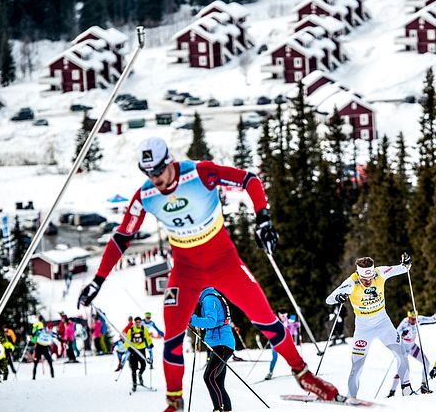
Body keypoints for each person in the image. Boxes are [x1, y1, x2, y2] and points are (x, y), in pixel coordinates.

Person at [78, 137, 339, 411]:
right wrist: (98, 280)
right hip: (186, 272)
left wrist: (263, 218)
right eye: (149, 173)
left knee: (266, 320)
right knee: (172, 338)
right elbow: (122, 236)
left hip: (224, 263)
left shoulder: (199, 173)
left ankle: (304, 375)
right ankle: (174, 402)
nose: (155, 179)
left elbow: (249, 180)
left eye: (158, 171)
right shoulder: (146, 195)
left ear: (169, 161)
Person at [326, 254, 416, 398]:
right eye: (365, 279)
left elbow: (404, 268)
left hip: (383, 324)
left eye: (370, 277)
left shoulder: (380, 273)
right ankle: (351, 397)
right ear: (358, 274)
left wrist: (406, 263)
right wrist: (338, 297)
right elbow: (329, 299)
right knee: (357, 366)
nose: (368, 281)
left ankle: (407, 389)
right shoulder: (351, 282)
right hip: (363, 329)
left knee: (401, 353)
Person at [190, 287, 235, 412]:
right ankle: (226, 409)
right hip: (221, 343)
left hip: (222, 344)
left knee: (208, 378)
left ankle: (217, 409)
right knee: (218, 382)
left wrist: (192, 320)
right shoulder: (213, 296)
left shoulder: (209, 299)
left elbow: (211, 322)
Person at [387, 309, 436, 397]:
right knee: (403, 370)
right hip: (403, 349)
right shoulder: (404, 323)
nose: (414, 320)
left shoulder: (418, 319)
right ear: (408, 317)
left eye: (415, 318)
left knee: (426, 363)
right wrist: (402, 334)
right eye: (412, 319)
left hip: (412, 347)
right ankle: (392, 392)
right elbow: (396, 334)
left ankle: (424, 386)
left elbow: (431, 319)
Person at [126, 316, 152, 392]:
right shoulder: (131, 330)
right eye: (136, 322)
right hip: (134, 350)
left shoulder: (144, 329)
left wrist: (150, 344)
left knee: (143, 365)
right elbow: (127, 341)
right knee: (133, 368)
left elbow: (148, 337)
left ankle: (140, 374)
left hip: (142, 350)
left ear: (141, 322)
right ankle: (134, 384)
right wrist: (129, 348)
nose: (138, 323)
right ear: (134, 323)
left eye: (139, 322)